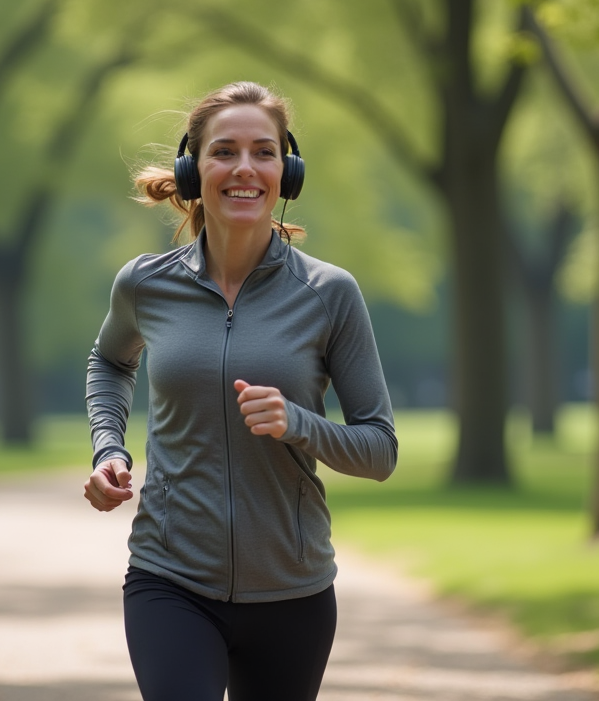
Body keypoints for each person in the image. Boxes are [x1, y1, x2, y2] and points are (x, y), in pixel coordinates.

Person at [84, 81, 397, 701]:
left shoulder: (329, 294)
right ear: (193, 171)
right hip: (169, 578)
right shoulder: (145, 284)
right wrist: (108, 449)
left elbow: (380, 450)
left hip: (293, 592)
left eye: (264, 152)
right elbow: (109, 362)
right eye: (224, 152)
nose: (245, 168)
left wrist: (298, 423)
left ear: (287, 173)